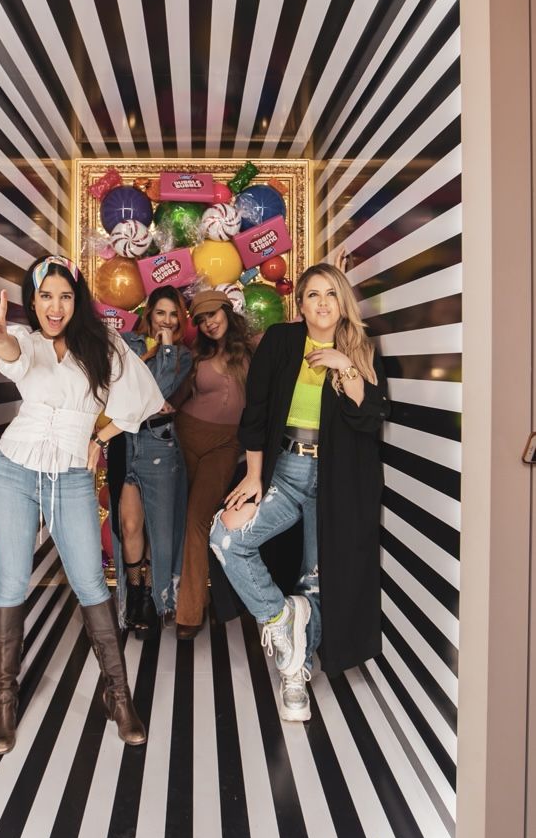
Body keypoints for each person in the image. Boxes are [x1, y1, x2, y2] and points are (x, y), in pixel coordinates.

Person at [0, 254, 165, 754]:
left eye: (65, 296)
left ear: (76, 302)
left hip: (72, 478)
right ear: (33, 302)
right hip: (14, 472)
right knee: (11, 580)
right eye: (45, 296)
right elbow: (13, 355)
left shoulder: (104, 347)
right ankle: (4, 702)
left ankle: (117, 695)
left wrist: (101, 435)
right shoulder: (29, 343)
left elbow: (145, 401)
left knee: (90, 583)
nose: (55, 306)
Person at [210, 263, 390, 722]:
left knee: (316, 579)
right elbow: (257, 411)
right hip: (286, 471)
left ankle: (296, 672)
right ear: (301, 304)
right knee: (226, 537)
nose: (323, 303)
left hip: (338, 480)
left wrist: (344, 365)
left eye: (331, 293)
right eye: (313, 295)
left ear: (342, 300)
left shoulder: (361, 349)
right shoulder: (282, 341)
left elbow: (369, 417)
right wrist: (253, 477)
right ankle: (280, 618)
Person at [109, 285, 192, 636]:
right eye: (161, 313)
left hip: (159, 445)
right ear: (149, 314)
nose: (167, 320)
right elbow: (117, 386)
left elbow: (158, 387)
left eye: (174, 314)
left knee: (160, 529)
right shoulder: (126, 343)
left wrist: (166, 347)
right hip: (123, 442)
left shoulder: (183, 355)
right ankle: (138, 596)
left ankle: (159, 601)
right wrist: (152, 351)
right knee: (129, 526)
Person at [173, 289, 256, 639]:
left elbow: (300, 326)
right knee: (178, 519)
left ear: (227, 310)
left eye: (213, 314)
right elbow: (174, 397)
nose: (208, 323)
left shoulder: (254, 346)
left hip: (226, 444)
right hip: (186, 436)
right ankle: (182, 598)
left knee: (197, 518)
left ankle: (189, 613)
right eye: (201, 319)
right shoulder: (196, 355)